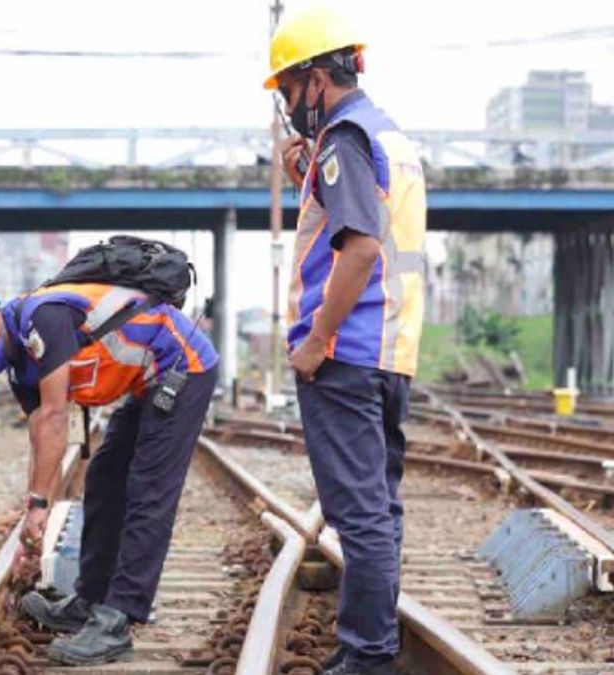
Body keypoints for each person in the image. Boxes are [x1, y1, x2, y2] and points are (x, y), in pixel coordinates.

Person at [0, 277, 218, 666]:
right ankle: (89, 599)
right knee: (105, 478)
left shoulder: (43, 319)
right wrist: (33, 520)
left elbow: (57, 416)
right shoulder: (19, 367)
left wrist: (41, 505)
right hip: (147, 382)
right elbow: (43, 438)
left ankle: (117, 619)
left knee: (148, 490)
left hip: (183, 366)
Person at [265, 5, 428, 674]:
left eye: (287, 90)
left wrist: (316, 341)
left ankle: (367, 655)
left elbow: (358, 250)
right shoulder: (383, 136)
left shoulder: (345, 142)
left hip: (345, 355)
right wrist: (309, 163)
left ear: (316, 79)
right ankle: (370, 644)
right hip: (389, 352)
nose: (288, 106)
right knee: (378, 509)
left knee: (357, 515)